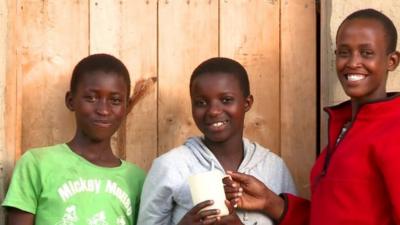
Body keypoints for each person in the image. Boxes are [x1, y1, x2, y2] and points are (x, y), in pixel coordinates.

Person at [223, 8, 400, 225]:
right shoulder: (344, 128)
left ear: (392, 61)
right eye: (344, 52)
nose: (353, 62)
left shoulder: (394, 129)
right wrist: (270, 202)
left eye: (367, 53)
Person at [137, 57, 297, 225]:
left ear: (247, 103)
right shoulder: (171, 166)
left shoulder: (274, 168)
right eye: (201, 102)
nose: (213, 111)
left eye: (226, 100)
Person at [2, 54, 146, 225]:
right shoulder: (37, 164)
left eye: (115, 100)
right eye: (91, 98)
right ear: (71, 101)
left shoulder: (137, 179)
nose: (103, 110)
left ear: (126, 107)